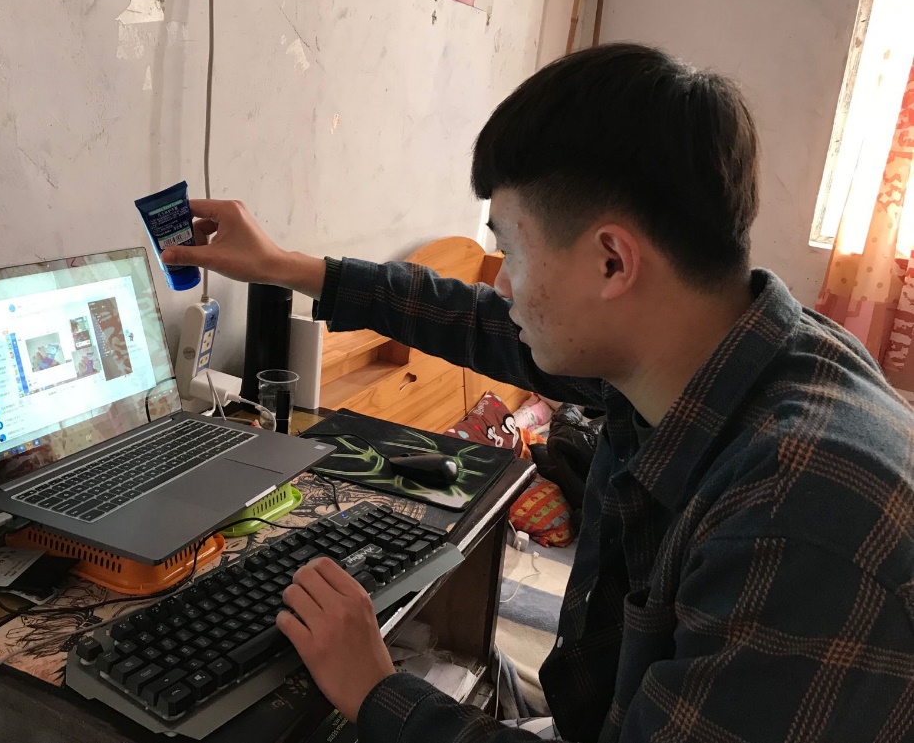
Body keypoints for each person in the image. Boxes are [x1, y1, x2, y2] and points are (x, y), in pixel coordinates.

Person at [160, 44, 914, 743]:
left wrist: (378, 691)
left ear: (612, 262)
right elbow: (478, 322)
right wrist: (289, 267)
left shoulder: (793, 518)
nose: (504, 285)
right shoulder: (712, 345)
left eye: (510, 250)